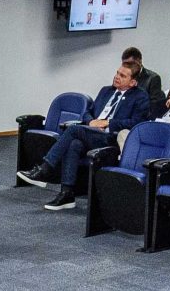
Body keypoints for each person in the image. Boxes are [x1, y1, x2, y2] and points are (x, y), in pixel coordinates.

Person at [28, 61, 149, 209]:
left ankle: (45, 168)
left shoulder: (140, 97)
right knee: (74, 144)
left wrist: (108, 123)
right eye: (117, 73)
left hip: (111, 138)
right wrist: (91, 121)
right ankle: (67, 193)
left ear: (133, 82)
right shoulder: (106, 91)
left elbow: (137, 123)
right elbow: (87, 112)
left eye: (122, 76)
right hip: (92, 133)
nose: (117, 77)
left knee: (73, 130)